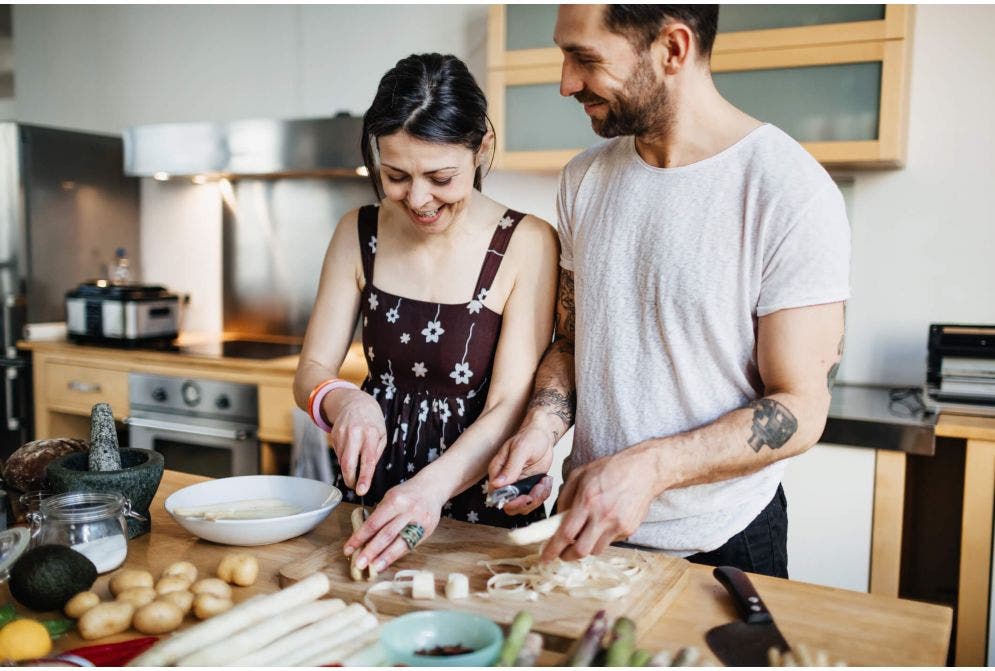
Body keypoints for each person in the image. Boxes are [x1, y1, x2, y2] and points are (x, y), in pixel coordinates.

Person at [487, 5, 850, 578]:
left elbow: (802, 407)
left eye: (585, 58)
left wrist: (649, 469)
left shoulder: (787, 190)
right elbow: (574, 340)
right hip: (590, 526)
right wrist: (542, 426)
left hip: (725, 543)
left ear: (673, 50)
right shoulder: (584, 178)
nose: (566, 83)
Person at [294, 53, 558, 575]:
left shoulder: (526, 242)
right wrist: (345, 402)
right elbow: (310, 372)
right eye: (395, 175)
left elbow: (509, 402)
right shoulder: (357, 231)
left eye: (441, 177)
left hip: (480, 503)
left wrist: (430, 491)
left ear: (481, 146)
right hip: (371, 503)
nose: (417, 199)